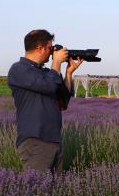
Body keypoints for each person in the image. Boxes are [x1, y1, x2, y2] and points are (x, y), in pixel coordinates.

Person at [7, 29, 82, 173]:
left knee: (54, 192)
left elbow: (63, 101)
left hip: (54, 139)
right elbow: (47, 86)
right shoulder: (19, 69)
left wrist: (68, 73)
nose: (52, 52)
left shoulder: (48, 73)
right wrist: (56, 63)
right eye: (50, 48)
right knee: (38, 190)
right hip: (36, 140)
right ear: (39, 48)